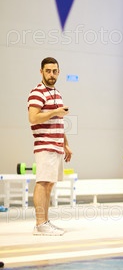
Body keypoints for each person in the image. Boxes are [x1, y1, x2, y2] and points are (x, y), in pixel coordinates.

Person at [28, 57, 72, 235]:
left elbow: (58, 122)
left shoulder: (57, 93)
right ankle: (40, 224)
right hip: (44, 145)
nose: (51, 74)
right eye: (48, 71)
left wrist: (66, 144)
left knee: (49, 184)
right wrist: (55, 111)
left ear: (59, 72)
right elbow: (33, 117)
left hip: (56, 146)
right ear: (41, 72)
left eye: (54, 71)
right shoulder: (37, 92)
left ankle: (45, 222)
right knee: (43, 182)